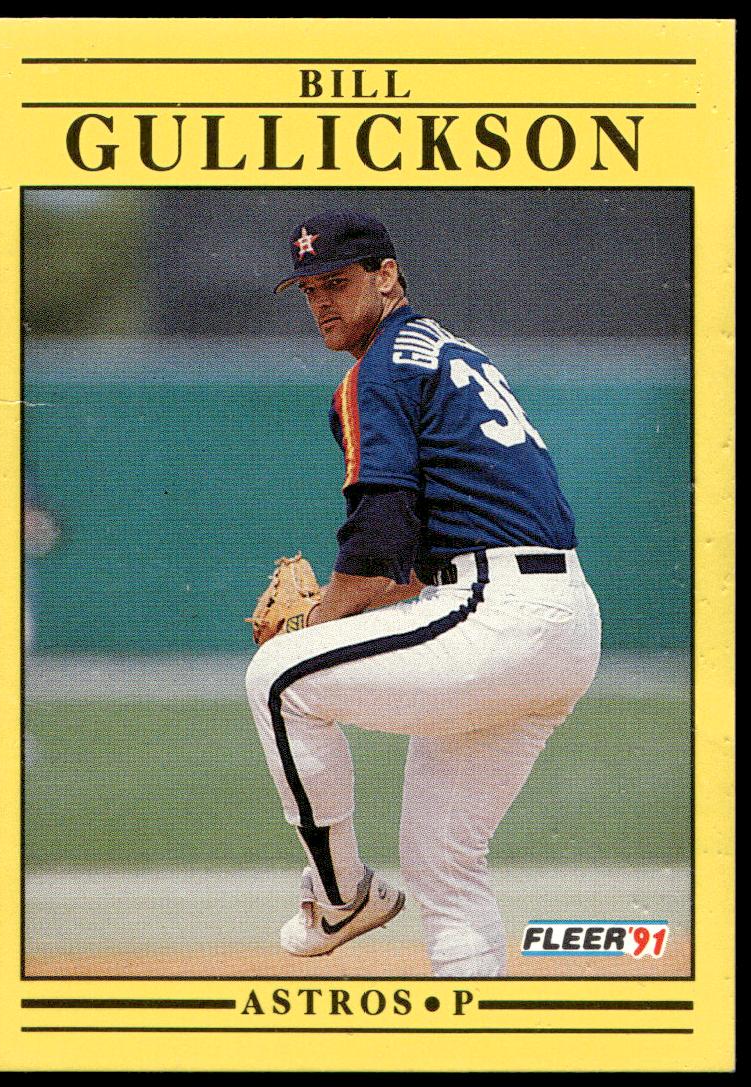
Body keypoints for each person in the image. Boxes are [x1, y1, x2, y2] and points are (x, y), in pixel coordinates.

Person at [245, 210, 602, 977]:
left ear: (386, 276)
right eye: (308, 289)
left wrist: (317, 621)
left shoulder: (378, 372)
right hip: (552, 616)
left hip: (498, 615)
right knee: (444, 863)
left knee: (277, 678)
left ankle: (340, 895)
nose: (321, 301)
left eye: (336, 281)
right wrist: (341, 607)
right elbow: (409, 561)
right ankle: (470, 1018)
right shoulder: (446, 351)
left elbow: (377, 538)